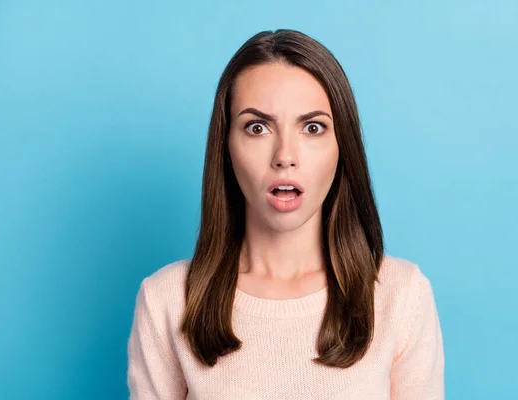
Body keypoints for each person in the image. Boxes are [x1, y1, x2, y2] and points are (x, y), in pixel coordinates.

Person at [127, 29, 445, 399]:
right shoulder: (167, 299)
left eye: (313, 127)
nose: (285, 155)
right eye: (257, 127)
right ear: (226, 147)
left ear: (342, 146)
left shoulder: (401, 295)